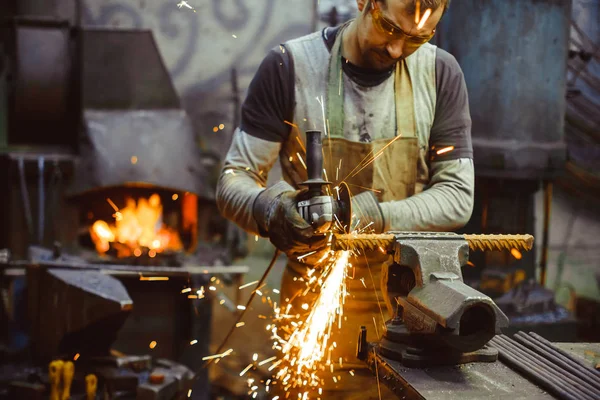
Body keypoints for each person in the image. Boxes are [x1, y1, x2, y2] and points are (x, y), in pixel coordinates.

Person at [216, 0, 473, 397]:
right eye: (388, 28)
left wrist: (370, 215)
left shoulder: (440, 73)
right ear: (364, 2)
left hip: (410, 314)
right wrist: (271, 208)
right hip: (311, 307)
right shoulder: (291, 67)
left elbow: (458, 197)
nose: (396, 50)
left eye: (417, 38)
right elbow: (234, 180)